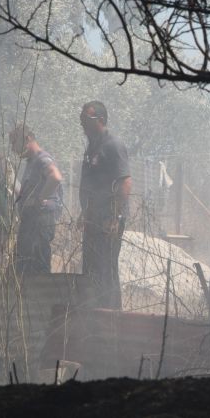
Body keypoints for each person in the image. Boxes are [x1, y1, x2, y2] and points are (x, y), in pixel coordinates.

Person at [78, 101, 131, 309]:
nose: (82, 123)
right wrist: (85, 212)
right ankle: (93, 317)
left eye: (86, 119)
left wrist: (114, 217)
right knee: (91, 270)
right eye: (81, 119)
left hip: (107, 221)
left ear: (100, 120)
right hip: (93, 219)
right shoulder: (92, 147)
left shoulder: (113, 145)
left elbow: (125, 182)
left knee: (106, 269)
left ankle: (111, 317)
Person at [9, 124, 63, 275]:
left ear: (28, 139)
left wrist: (39, 200)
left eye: (14, 142)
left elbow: (55, 177)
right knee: (20, 270)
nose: (13, 148)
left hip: (39, 225)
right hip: (30, 225)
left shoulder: (42, 159)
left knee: (38, 273)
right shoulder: (32, 162)